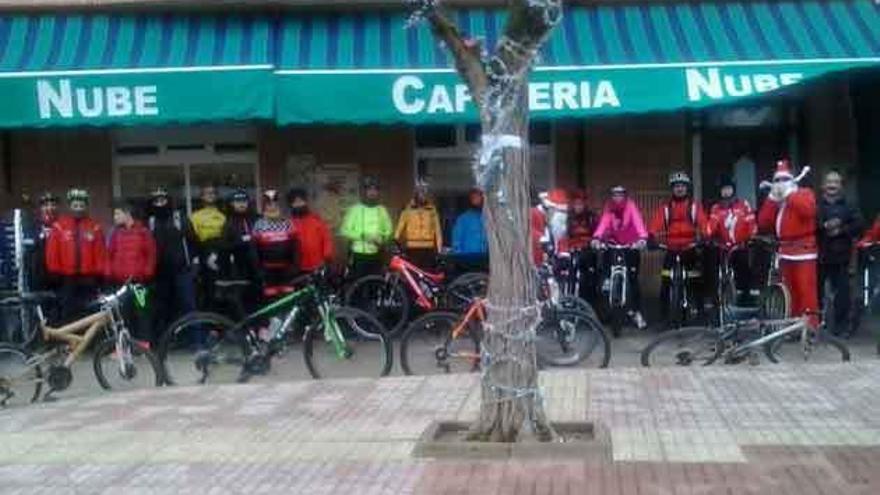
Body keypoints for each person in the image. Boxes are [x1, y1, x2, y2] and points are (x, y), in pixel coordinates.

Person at [757, 159, 819, 327]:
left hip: (804, 250)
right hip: (785, 251)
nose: (780, 184)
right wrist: (771, 199)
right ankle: (792, 325)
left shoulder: (804, 193)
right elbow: (763, 222)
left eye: (784, 180)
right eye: (777, 181)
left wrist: (789, 195)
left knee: (806, 291)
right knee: (789, 292)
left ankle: (810, 327)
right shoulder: (778, 201)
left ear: (792, 180)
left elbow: (808, 210)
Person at [649, 171, 708, 325]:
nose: (679, 189)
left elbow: (703, 223)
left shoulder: (694, 207)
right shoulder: (666, 208)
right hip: (671, 248)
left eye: (682, 186)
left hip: (690, 247)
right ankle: (663, 316)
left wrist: (705, 235)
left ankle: (700, 313)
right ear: (672, 189)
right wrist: (651, 236)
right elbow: (656, 223)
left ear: (687, 188)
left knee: (696, 280)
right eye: (676, 186)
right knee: (666, 280)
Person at [45, 188, 106, 323]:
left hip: (89, 279)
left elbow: (101, 253)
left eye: (81, 205)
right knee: (68, 314)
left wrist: (99, 274)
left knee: (90, 314)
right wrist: (54, 272)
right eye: (75, 205)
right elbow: (52, 252)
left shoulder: (95, 227)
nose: (78, 209)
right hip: (67, 279)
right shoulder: (59, 226)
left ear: (86, 206)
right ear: (70, 206)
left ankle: (90, 342)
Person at [592, 185, 649, 329]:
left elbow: (638, 222)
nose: (617, 198)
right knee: (605, 277)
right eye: (614, 195)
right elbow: (603, 223)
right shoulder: (608, 207)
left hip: (630, 246)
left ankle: (636, 312)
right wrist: (596, 238)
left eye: (620, 195)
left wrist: (642, 238)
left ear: (625, 196)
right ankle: (605, 311)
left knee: (633, 279)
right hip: (612, 245)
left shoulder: (631, 206)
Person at [146, 187, 197, 347]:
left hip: (182, 270)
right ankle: (163, 342)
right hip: (159, 273)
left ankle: (196, 342)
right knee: (162, 308)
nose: (160, 203)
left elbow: (193, 241)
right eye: (156, 201)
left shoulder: (179, 217)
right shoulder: (150, 221)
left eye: (163, 200)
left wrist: (195, 264)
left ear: (168, 201)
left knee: (188, 306)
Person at [816, 170, 863, 337]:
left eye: (835, 182)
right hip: (820, 256)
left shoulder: (849, 205)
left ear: (841, 186)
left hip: (842, 257)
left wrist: (841, 229)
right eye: (829, 182)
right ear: (823, 186)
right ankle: (816, 327)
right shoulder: (816, 205)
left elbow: (859, 225)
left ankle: (839, 328)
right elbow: (810, 225)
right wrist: (825, 226)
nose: (832, 185)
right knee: (816, 294)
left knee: (843, 295)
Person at [105, 200, 157, 343]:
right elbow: (109, 254)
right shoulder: (115, 233)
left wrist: (146, 273)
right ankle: (124, 346)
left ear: (127, 214)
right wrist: (110, 273)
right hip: (120, 284)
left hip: (139, 282)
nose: (114, 217)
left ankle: (144, 343)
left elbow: (151, 255)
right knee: (122, 314)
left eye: (117, 213)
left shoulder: (143, 232)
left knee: (142, 312)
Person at [705, 175, 757, 305]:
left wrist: (751, 237)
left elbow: (751, 223)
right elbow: (710, 227)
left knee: (743, 267)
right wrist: (708, 236)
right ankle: (716, 298)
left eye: (729, 188)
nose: (726, 192)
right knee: (712, 263)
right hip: (722, 247)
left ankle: (745, 296)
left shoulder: (743, 204)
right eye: (724, 189)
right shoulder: (716, 208)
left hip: (740, 245)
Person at [340, 177, 393, 279]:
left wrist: (382, 238)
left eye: (375, 190)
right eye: (369, 190)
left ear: (378, 192)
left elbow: (389, 230)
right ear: (364, 192)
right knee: (359, 284)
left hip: (377, 253)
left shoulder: (382, 210)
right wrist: (362, 235)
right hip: (358, 255)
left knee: (375, 283)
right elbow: (344, 230)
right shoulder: (355, 209)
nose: (372, 193)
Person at [220, 188, 260, 316]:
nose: (241, 204)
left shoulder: (257, 219)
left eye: (244, 201)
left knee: (260, 302)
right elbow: (225, 248)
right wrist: (242, 241)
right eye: (237, 201)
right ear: (232, 204)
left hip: (259, 269)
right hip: (240, 271)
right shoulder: (228, 223)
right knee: (243, 305)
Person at [252, 189, 299, 298]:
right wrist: (257, 268)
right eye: (269, 205)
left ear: (280, 207)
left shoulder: (288, 223)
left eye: (275, 205)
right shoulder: (258, 225)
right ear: (264, 208)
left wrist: (295, 265)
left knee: (287, 297)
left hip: (286, 270)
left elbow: (295, 246)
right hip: (267, 271)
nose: (272, 208)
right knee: (270, 297)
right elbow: (253, 249)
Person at [189, 185, 227, 308]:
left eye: (213, 193)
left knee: (222, 286)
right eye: (207, 193)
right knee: (207, 288)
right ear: (202, 197)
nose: (210, 195)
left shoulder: (223, 215)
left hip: (221, 250)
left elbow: (228, 235)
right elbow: (192, 237)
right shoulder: (195, 216)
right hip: (204, 250)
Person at [560, 189, 598, 304]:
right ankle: (570, 299)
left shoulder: (591, 217)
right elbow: (565, 235)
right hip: (573, 249)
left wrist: (593, 242)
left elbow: (596, 234)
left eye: (580, 204)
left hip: (588, 249)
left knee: (589, 276)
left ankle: (589, 301)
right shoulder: (569, 217)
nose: (578, 207)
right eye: (576, 204)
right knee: (570, 274)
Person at [395, 182, 443, 269]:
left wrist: (439, 249)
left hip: (428, 248)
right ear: (416, 193)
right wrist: (395, 240)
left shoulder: (432, 209)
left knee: (427, 272)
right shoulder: (407, 208)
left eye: (425, 192)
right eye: (420, 192)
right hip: (412, 248)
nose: (422, 195)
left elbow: (437, 230)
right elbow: (400, 225)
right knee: (413, 273)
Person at [288, 188, 334, 275]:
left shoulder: (316, 220)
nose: (298, 205)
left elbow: (327, 239)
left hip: (318, 265)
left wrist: (327, 256)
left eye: (301, 201)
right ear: (291, 205)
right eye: (295, 202)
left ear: (306, 202)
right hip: (297, 267)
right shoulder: (288, 223)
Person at [451, 188, 489, 274]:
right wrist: (460, 259)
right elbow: (456, 241)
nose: (476, 199)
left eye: (478, 196)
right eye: (474, 197)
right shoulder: (463, 219)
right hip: (466, 260)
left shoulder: (488, 218)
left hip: (484, 260)